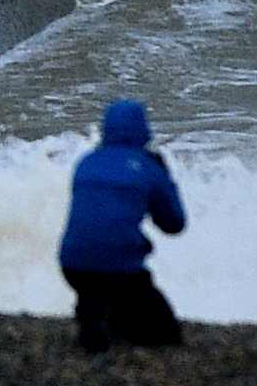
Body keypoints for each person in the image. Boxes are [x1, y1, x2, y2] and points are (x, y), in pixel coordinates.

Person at [59, 97, 190, 349]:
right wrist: (166, 178)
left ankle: (93, 319)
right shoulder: (148, 166)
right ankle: (107, 326)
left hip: (72, 265)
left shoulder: (86, 162)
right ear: (143, 129)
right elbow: (174, 224)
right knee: (165, 335)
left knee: (98, 296)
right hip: (120, 268)